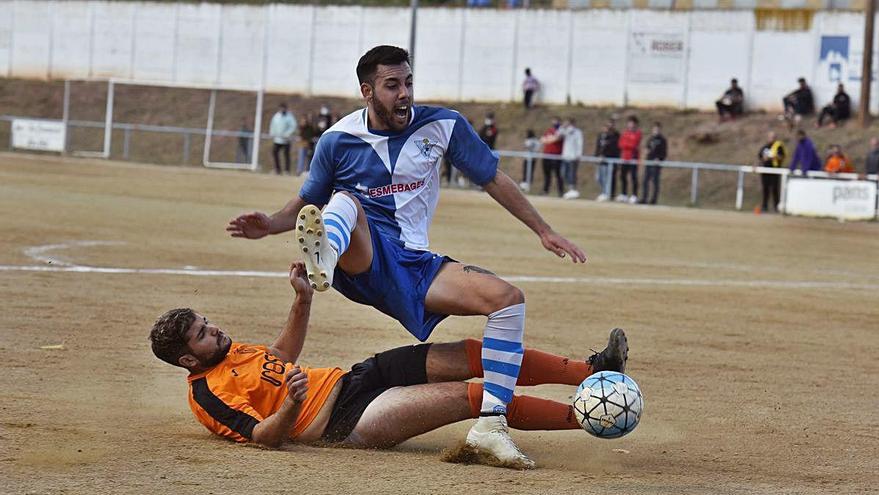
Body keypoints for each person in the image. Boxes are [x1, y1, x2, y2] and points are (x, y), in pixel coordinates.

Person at [226, 45, 586, 469]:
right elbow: (305, 203)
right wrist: (269, 224)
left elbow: (492, 178)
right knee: (344, 202)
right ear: (367, 91)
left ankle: (491, 427)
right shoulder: (338, 140)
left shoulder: (443, 126)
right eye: (392, 85)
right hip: (364, 259)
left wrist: (543, 230)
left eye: (408, 82)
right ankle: (325, 255)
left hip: (416, 264)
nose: (404, 93)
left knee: (507, 300)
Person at [148, 262, 629, 469]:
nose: (215, 330)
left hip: (356, 377)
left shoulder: (233, 351)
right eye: (203, 333)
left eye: (207, 322)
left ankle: (592, 372)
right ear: (189, 358)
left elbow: (281, 358)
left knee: (473, 353)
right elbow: (263, 438)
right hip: (344, 421)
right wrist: (293, 404)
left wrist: (302, 301)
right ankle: (592, 416)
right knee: (478, 397)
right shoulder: (206, 396)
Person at [756, 132, 787, 213]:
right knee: (765, 189)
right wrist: (763, 159)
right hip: (765, 171)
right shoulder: (765, 147)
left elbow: (783, 156)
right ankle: (764, 206)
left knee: (775, 189)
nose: (771, 139)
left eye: (773, 137)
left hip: (775, 170)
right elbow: (760, 158)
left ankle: (776, 207)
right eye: (770, 137)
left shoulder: (779, 146)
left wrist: (775, 156)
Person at [640, 122, 666, 205]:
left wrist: (659, 159)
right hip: (649, 162)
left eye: (657, 129)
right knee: (645, 181)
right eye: (655, 129)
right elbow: (647, 148)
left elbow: (663, 152)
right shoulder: (650, 139)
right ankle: (644, 198)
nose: (656, 131)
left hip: (656, 164)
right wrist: (646, 153)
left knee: (655, 181)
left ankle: (653, 199)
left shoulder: (662, 140)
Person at [617, 116, 641, 204]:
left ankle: (634, 195)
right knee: (623, 176)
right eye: (629, 123)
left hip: (633, 158)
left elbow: (634, 145)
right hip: (624, 158)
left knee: (633, 177)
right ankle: (624, 194)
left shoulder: (637, 133)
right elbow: (620, 144)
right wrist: (627, 145)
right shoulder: (625, 133)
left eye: (632, 123)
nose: (631, 125)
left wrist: (627, 145)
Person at [594, 120, 620, 202]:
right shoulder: (601, 136)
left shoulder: (614, 136)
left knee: (607, 178)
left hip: (609, 160)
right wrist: (597, 156)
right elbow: (598, 147)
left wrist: (605, 155)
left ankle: (607, 193)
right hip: (600, 160)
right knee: (599, 177)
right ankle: (604, 192)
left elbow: (613, 148)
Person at [559, 117, 584, 200]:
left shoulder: (577, 132)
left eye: (567, 122)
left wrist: (578, 155)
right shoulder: (564, 131)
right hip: (565, 155)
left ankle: (572, 189)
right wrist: (562, 127)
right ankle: (570, 189)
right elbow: (558, 134)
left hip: (573, 156)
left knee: (572, 174)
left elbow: (580, 143)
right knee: (563, 173)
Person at [269, 103, 298, 175]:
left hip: (286, 140)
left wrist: (287, 134)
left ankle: (287, 170)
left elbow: (293, 126)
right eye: (281, 108)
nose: (282, 110)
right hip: (277, 139)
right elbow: (272, 125)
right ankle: (277, 169)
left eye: (283, 108)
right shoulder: (276, 116)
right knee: (274, 152)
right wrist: (272, 133)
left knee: (286, 155)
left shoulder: (289, 116)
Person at [540, 116, 565, 196]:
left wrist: (550, 139)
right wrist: (550, 139)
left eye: (556, 121)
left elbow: (556, 139)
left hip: (556, 156)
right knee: (547, 175)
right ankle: (545, 191)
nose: (554, 123)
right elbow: (542, 140)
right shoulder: (549, 130)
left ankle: (561, 192)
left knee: (558, 175)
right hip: (547, 155)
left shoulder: (561, 131)